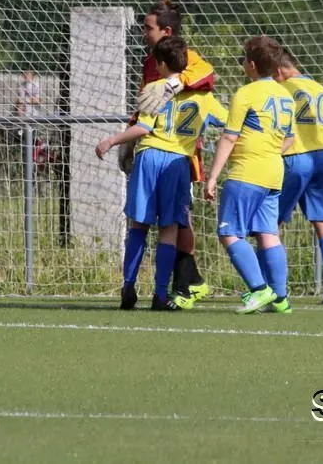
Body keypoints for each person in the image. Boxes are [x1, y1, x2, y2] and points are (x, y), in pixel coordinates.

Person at [97, 36, 227, 311]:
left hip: (149, 158)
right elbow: (230, 123)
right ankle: (159, 294)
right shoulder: (204, 97)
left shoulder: (154, 88)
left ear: (162, 64)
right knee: (169, 230)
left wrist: (112, 140)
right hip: (177, 163)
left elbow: (143, 128)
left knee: (138, 226)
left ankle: (128, 287)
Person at [122, 0, 216, 302]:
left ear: (166, 31)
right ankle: (184, 281)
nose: (143, 32)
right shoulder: (150, 62)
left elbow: (207, 74)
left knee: (177, 221)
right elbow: (145, 105)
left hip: (180, 155)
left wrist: (177, 82)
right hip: (154, 148)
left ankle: (186, 282)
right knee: (163, 222)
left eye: (148, 27)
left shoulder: (189, 58)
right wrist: (129, 140)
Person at [205, 36, 295, 314]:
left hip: (247, 172)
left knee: (229, 232)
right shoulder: (286, 96)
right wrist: (269, 152)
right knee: (268, 234)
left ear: (251, 65)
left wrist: (212, 176)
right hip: (274, 172)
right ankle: (280, 298)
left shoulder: (246, 94)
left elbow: (229, 137)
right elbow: (290, 138)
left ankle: (259, 289)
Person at [275, 49, 323, 305]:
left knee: (270, 224)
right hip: (322, 159)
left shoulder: (281, 90)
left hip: (293, 158)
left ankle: (275, 289)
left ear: (278, 71)